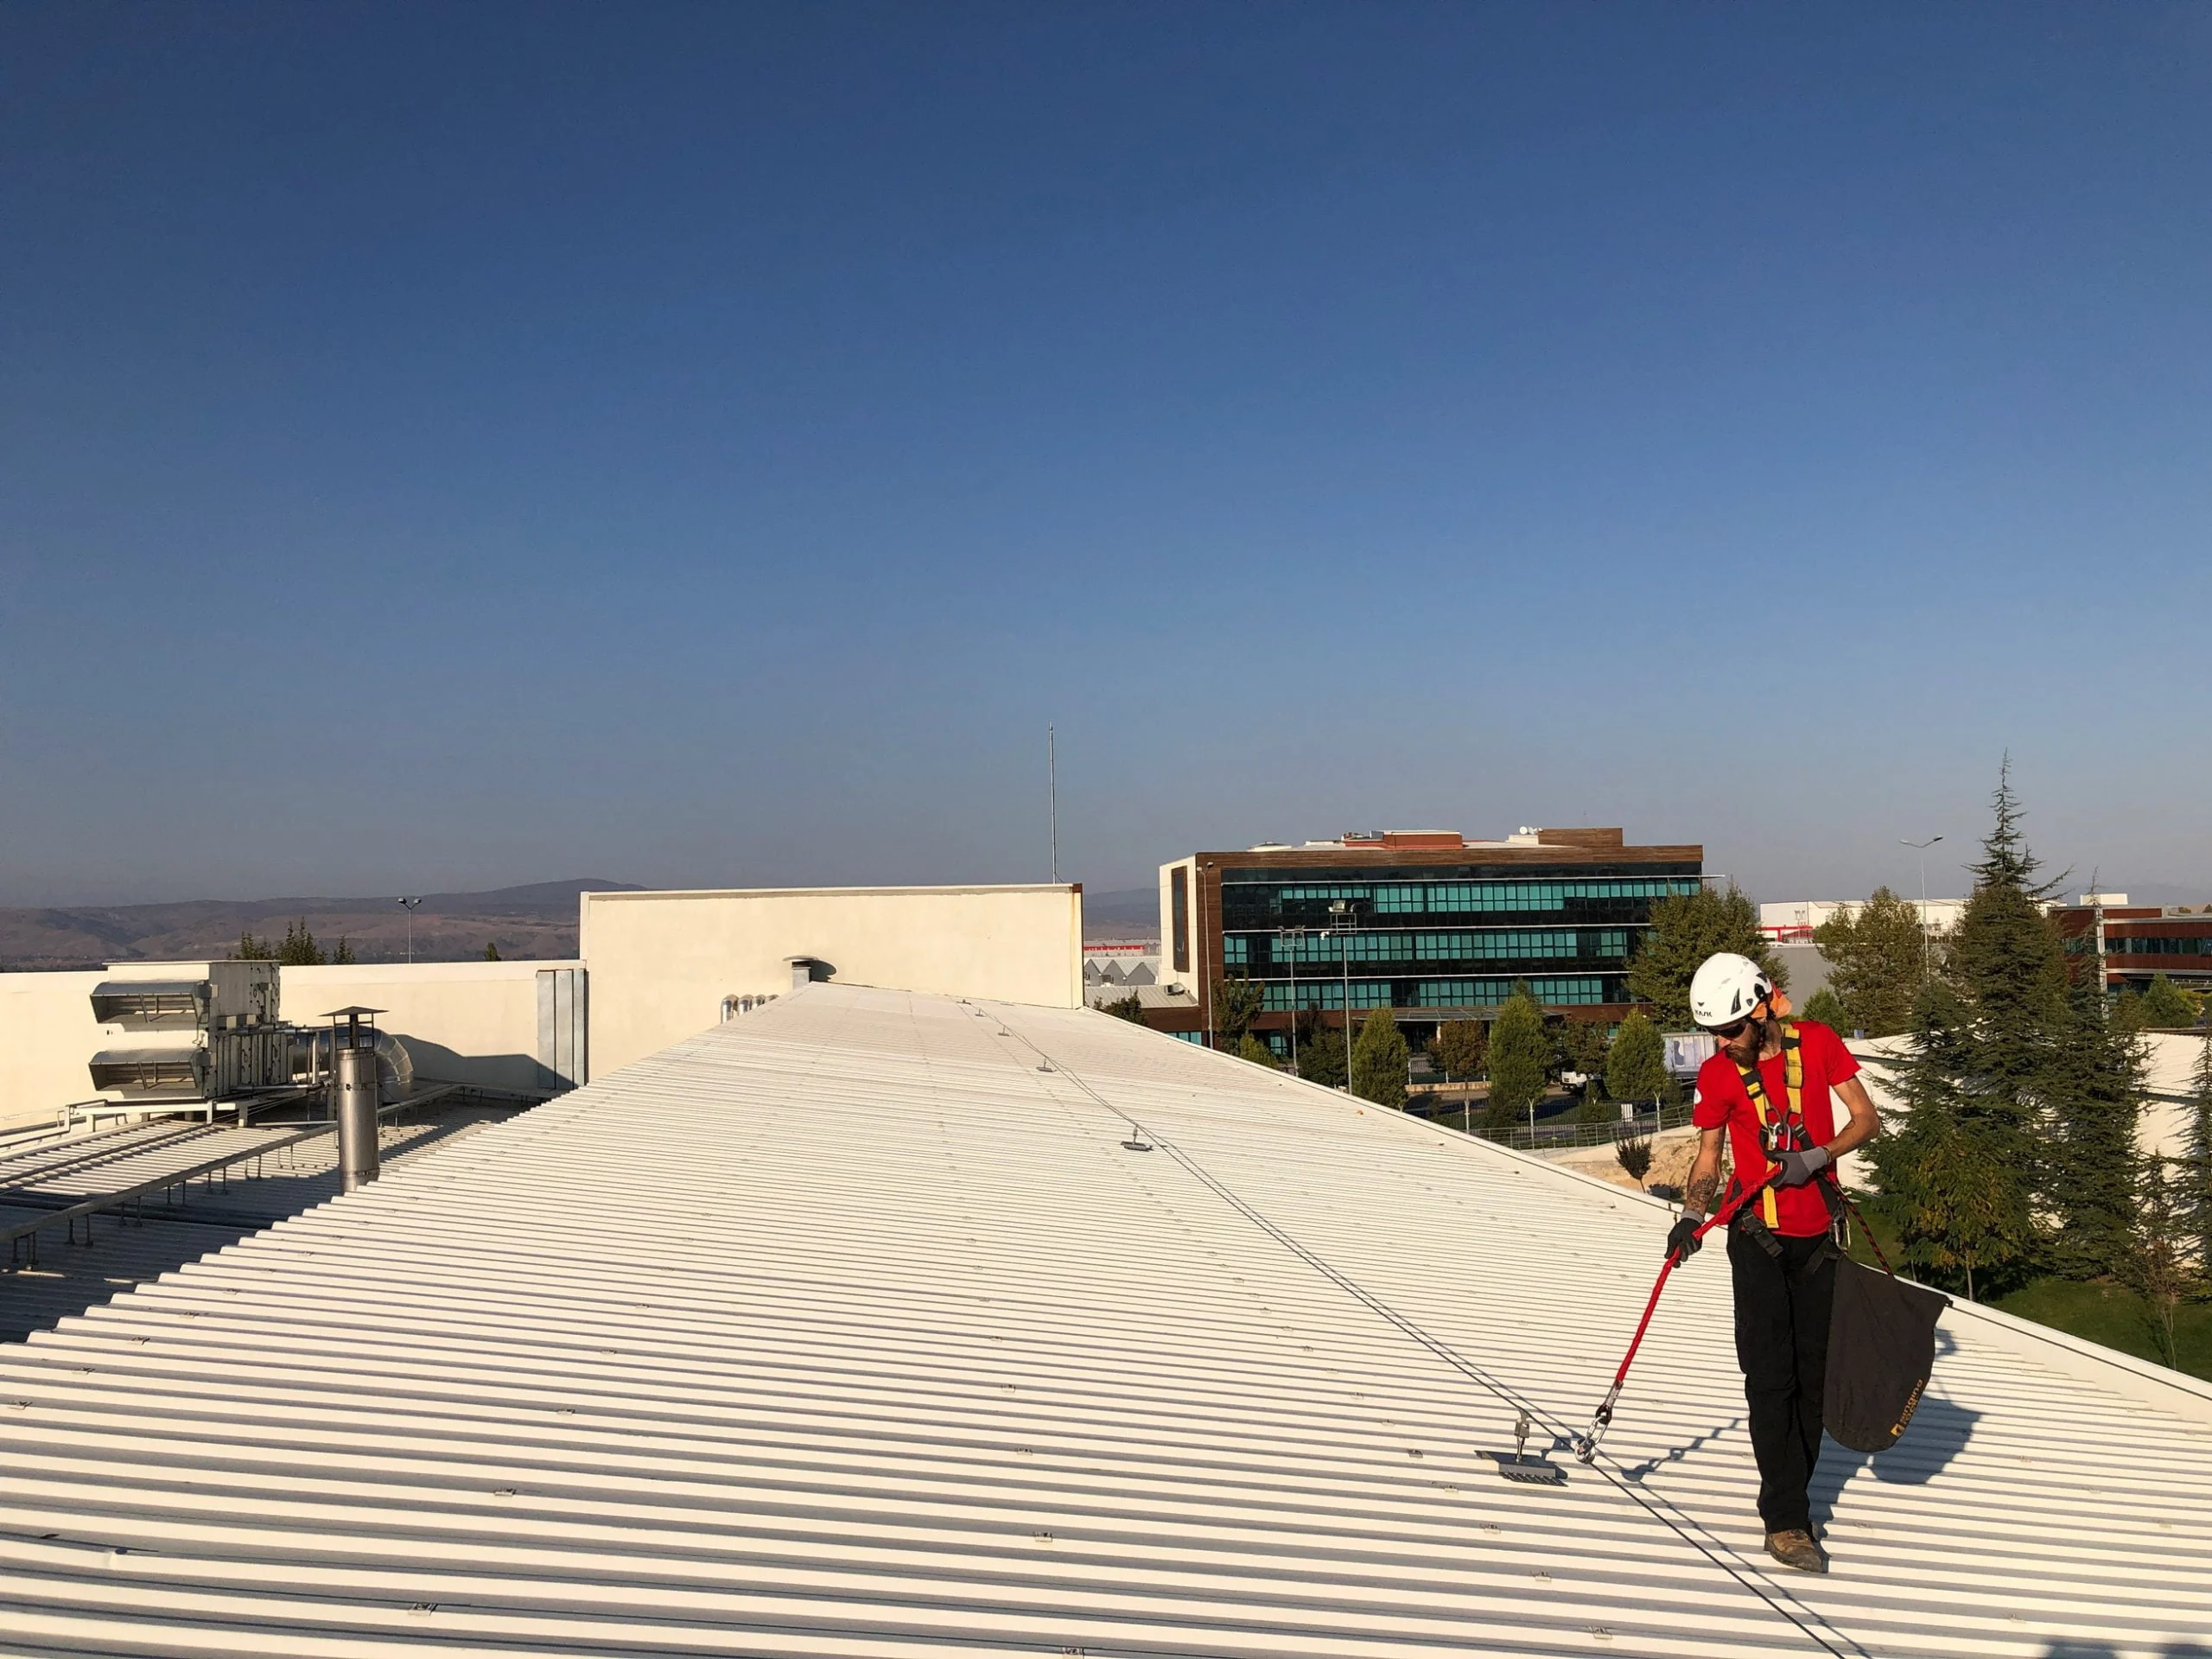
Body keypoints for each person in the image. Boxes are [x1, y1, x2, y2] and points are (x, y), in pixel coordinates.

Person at [1668, 951, 1880, 1575]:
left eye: (1733, 1029)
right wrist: (1688, 1217)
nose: (1725, 1043)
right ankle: (1786, 1519)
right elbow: (1708, 1157)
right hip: (1756, 1238)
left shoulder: (1818, 1045)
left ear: (1761, 1008)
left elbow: (1866, 1119)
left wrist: (1816, 1157)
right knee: (1769, 1382)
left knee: (1813, 1381)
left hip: (1818, 1240)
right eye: (1715, 1034)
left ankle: (1794, 1491)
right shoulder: (1717, 1075)